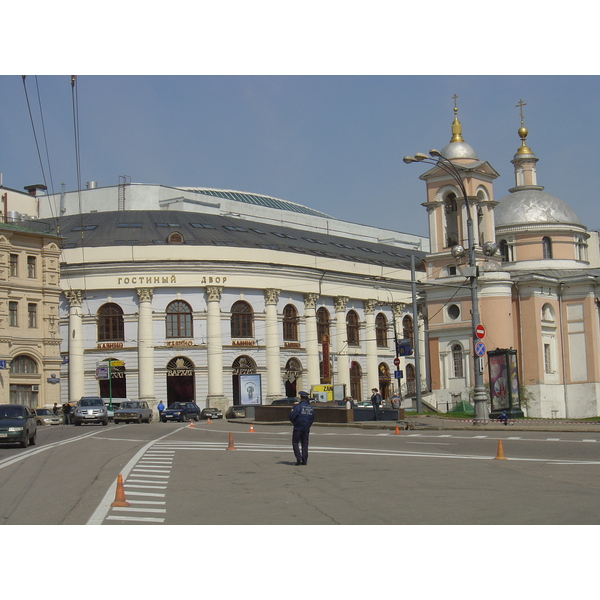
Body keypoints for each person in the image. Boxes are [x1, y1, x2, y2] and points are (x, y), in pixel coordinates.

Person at [289, 391, 315, 465]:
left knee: (295, 443)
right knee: (305, 443)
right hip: (306, 428)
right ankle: (304, 460)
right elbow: (312, 418)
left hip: (298, 427)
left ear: (301, 398)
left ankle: (299, 459)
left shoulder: (298, 406)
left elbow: (292, 416)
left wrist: (294, 423)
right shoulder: (310, 407)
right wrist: (308, 425)